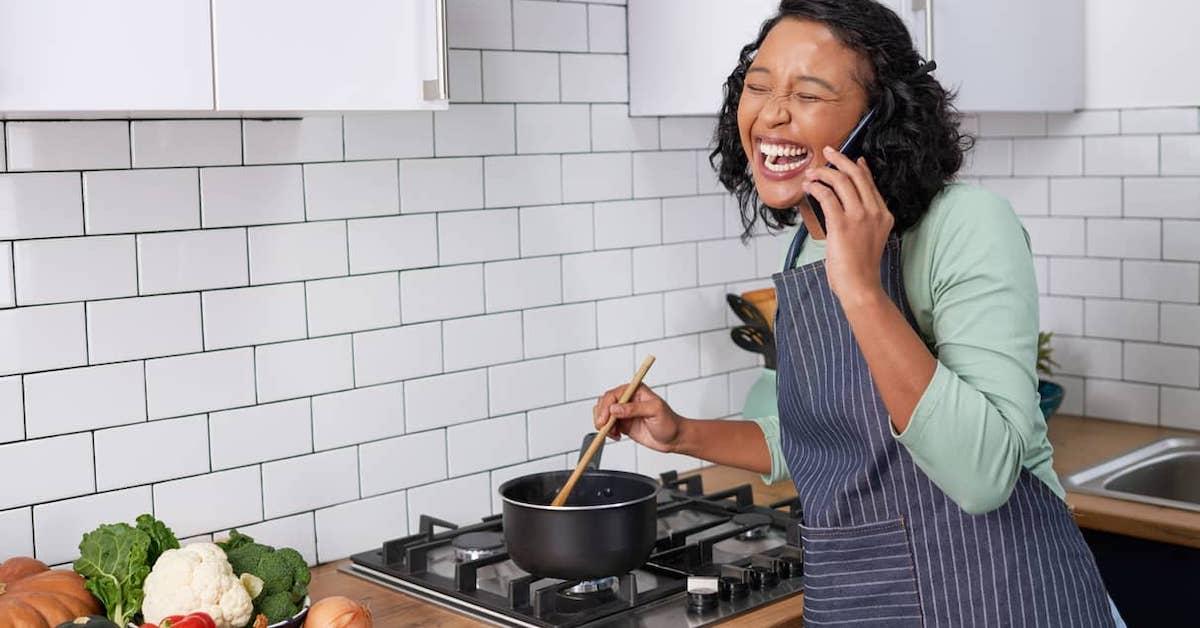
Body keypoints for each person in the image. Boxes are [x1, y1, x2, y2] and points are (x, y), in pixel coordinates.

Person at [592, 1, 1125, 625]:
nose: (771, 114)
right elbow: (822, 438)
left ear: (879, 118)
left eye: (808, 94)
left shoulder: (967, 226)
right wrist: (683, 434)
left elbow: (984, 476)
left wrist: (863, 290)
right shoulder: (805, 243)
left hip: (1001, 597)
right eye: (757, 86)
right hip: (864, 602)